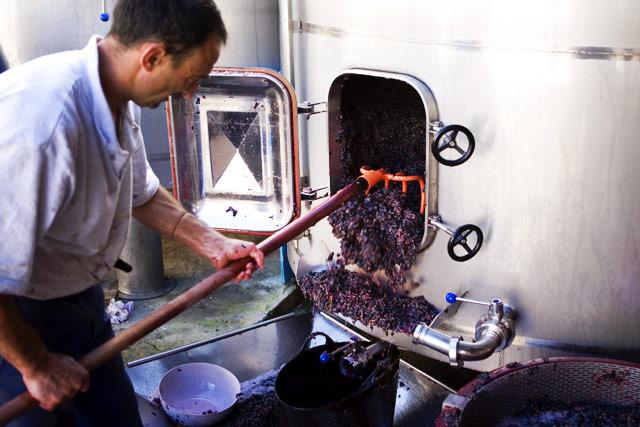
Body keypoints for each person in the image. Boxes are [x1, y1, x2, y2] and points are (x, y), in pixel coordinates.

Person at [0, 0, 264, 425]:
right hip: (14, 324)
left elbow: (143, 194)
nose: (190, 93)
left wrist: (213, 243)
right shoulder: (43, 127)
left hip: (78, 301)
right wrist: (36, 365)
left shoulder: (118, 97)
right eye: (190, 78)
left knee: (116, 416)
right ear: (152, 56)